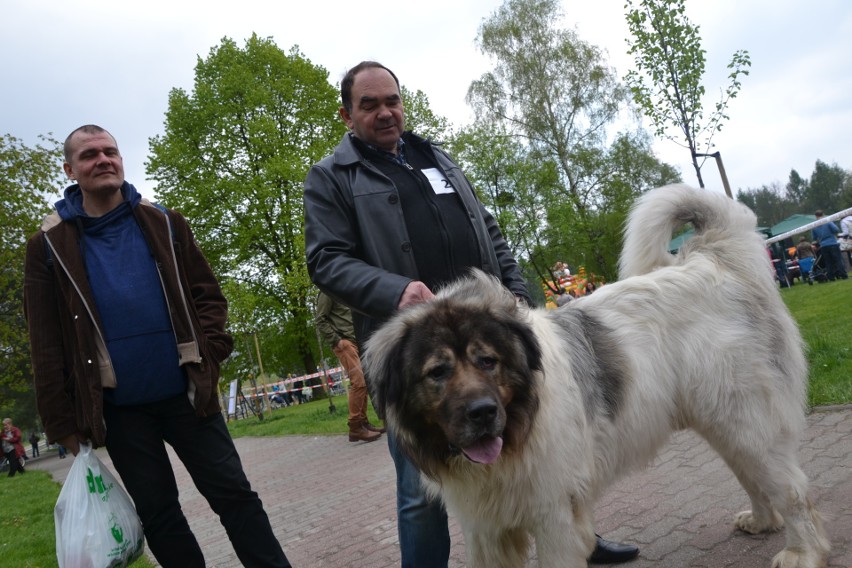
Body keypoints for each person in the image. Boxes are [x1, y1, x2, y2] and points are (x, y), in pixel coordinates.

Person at [303, 61, 638, 567]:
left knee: (548, 452)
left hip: (487, 336)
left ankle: (578, 541)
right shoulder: (331, 177)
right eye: (369, 104)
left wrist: (517, 295)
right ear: (346, 114)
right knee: (421, 493)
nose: (385, 112)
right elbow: (325, 258)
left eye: (391, 100)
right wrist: (396, 291)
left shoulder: (433, 157)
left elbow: (488, 228)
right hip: (415, 351)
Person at [23, 125, 291, 567]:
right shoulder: (48, 245)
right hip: (119, 409)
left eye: (110, 151)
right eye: (90, 155)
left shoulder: (164, 221)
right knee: (161, 516)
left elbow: (208, 297)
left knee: (236, 497)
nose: (103, 160)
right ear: (70, 169)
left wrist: (209, 354)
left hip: (188, 394)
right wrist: (61, 420)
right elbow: (45, 342)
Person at [315, 290, 383, 443]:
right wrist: (337, 341)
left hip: (355, 339)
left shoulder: (341, 289)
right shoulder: (326, 292)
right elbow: (320, 320)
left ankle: (363, 423)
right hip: (344, 342)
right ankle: (355, 427)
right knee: (358, 382)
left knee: (364, 382)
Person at [811, 210, 848, 281]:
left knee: (828, 262)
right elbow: (836, 229)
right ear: (823, 214)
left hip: (823, 245)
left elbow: (814, 238)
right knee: (838, 260)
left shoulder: (814, 225)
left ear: (816, 216)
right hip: (832, 243)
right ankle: (843, 275)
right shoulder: (827, 221)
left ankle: (831, 277)